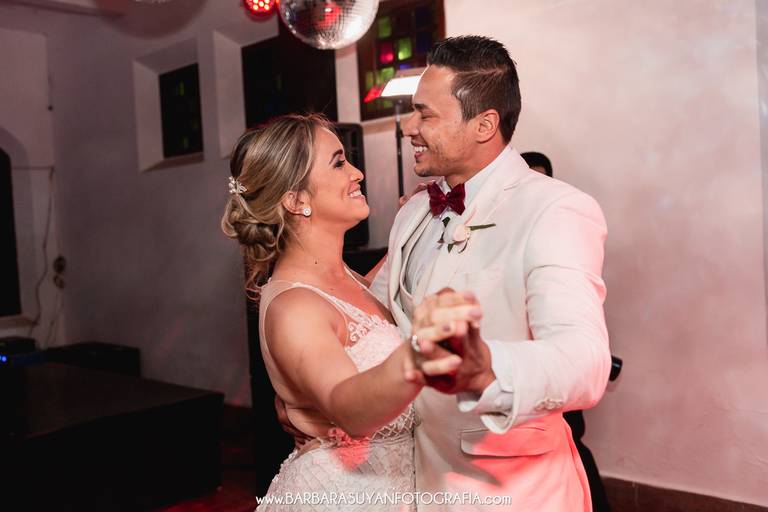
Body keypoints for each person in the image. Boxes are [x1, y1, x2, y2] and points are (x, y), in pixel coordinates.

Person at [367, 35, 612, 510]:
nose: (408, 128)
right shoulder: (413, 212)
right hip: (413, 478)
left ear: (484, 125)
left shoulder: (555, 209)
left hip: (513, 489)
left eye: (425, 114)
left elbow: (585, 362)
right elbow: (373, 318)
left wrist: (485, 368)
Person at [221, 114, 473, 511]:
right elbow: (348, 407)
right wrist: (419, 355)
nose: (357, 172)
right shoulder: (294, 307)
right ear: (296, 200)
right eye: (339, 163)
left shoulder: (351, 280)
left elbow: (395, 281)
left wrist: (420, 222)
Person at [521, 150, 612, 512]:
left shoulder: (563, 222)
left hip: (558, 364)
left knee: (574, 440)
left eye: (544, 178)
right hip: (529, 369)